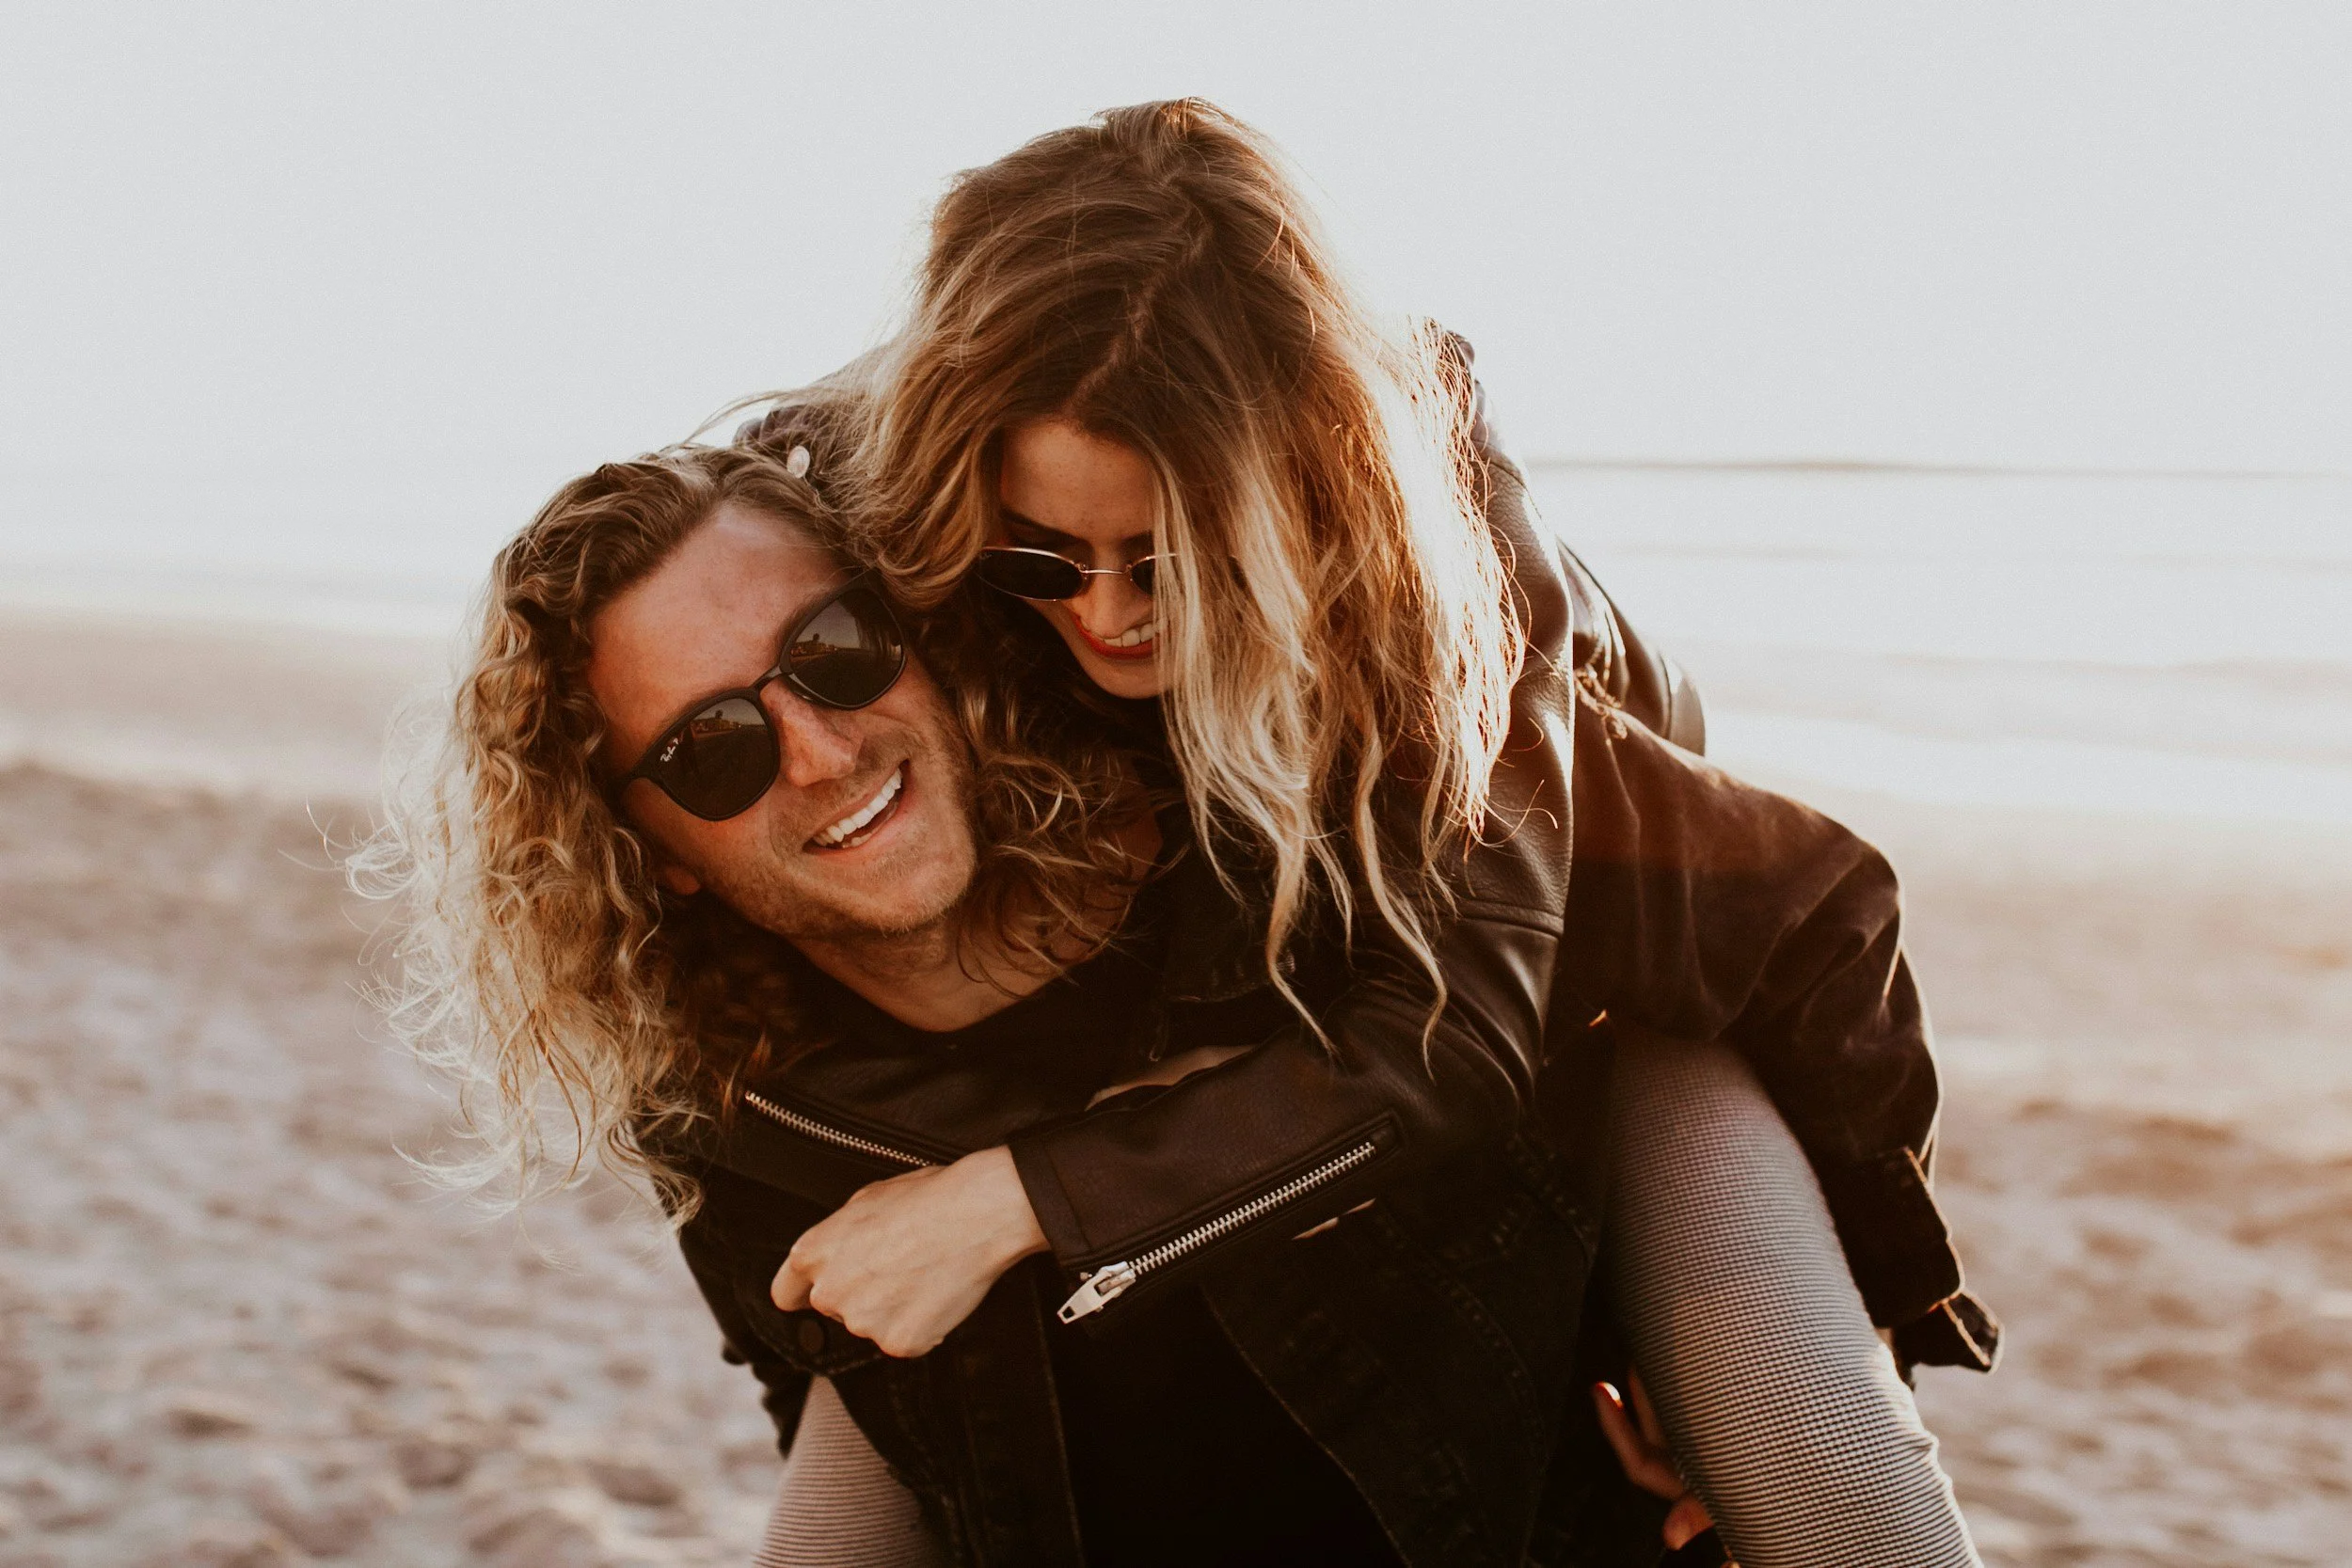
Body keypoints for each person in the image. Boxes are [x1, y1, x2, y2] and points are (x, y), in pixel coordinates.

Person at [732, 101, 1991, 1564]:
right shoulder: (889, 493)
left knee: (1838, 1486)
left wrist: (1018, 1195)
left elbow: (1461, 1028)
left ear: (1298, 489)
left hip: (1598, 992)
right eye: (1043, 557)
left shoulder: (1444, 541)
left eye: (1171, 559)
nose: (1106, 614)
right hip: (1255, 989)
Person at [362, 427, 1980, 1565]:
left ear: (920, 631)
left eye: (836, 651)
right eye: (713, 746)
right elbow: (864, 1431)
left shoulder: (1271, 810)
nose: (825, 750)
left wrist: (1774, 1362)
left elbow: (1764, 902)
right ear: (653, 853)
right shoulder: (743, 1118)